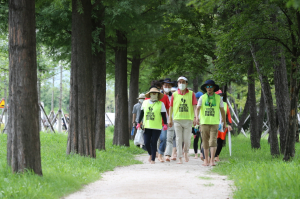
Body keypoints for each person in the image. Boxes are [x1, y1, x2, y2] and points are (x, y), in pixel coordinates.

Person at [169, 76, 198, 164]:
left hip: (188, 119)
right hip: (177, 119)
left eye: (183, 82)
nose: (181, 84)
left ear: (186, 83)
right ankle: (180, 157)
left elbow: (194, 106)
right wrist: (170, 118)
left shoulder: (191, 94)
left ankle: (186, 152)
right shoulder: (174, 94)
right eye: (180, 82)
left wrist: (195, 117)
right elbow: (171, 107)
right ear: (177, 84)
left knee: (187, 139)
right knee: (178, 139)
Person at [197, 80, 226, 166]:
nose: (209, 88)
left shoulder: (218, 98)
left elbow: (222, 110)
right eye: (207, 86)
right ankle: (206, 160)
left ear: (214, 87)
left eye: (211, 86)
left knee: (213, 141)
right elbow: (197, 108)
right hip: (204, 122)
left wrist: (224, 121)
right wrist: (196, 118)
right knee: (205, 141)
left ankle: (212, 160)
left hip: (214, 122)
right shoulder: (202, 97)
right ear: (205, 88)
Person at [138, 86, 168, 164]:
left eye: (155, 93)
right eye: (152, 93)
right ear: (150, 94)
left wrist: (165, 124)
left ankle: (153, 159)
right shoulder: (145, 102)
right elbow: (141, 113)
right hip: (147, 126)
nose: (154, 94)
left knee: (154, 142)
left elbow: (163, 115)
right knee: (147, 142)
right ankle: (151, 154)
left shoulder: (161, 104)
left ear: (158, 95)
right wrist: (138, 122)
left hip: (157, 127)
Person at [147, 80, 170, 162]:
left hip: (162, 122)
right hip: (151, 122)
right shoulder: (147, 98)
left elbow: (167, 109)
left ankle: (160, 154)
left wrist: (168, 119)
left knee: (163, 138)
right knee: (152, 140)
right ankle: (153, 154)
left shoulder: (165, 97)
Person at [161, 78, 177, 162]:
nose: (167, 86)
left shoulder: (174, 96)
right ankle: (160, 153)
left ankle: (167, 154)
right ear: (162, 86)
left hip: (171, 118)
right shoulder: (158, 96)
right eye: (165, 85)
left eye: (168, 85)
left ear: (171, 86)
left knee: (170, 138)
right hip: (160, 120)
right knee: (161, 138)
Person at [214, 90, 232, 162]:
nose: (220, 97)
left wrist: (229, 124)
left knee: (220, 141)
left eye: (221, 95)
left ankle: (217, 156)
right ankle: (211, 155)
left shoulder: (225, 104)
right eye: (219, 95)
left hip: (222, 125)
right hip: (214, 124)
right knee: (213, 141)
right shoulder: (212, 103)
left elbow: (229, 115)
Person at [193, 91, 203, 159]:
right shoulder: (194, 106)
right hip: (195, 125)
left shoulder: (203, 105)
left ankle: (201, 153)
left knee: (202, 139)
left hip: (201, 123)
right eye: (197, 98)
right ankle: (196, 154)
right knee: (196, 139)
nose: (198, 99)